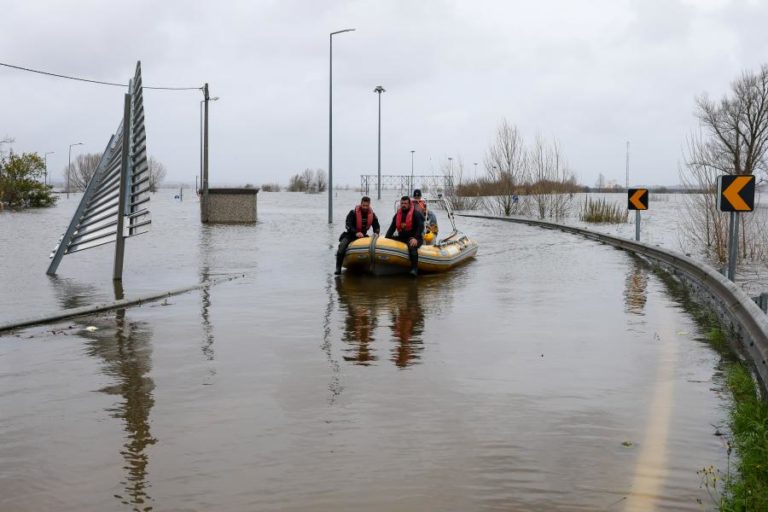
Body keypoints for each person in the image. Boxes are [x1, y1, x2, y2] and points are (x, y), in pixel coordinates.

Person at [335, 196, 380, 275]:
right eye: (364, 205)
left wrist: (376, 232)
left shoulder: (372, 214)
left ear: (369, 205)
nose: (365, 207)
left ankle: (369, 266)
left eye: (367, 206)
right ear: (361, 204)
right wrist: (356, 232)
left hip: (363, 236)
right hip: (351, 234)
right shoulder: (353, 213)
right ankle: (338, 267)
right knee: (342, 246)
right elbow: (348, 225)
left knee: (374, 245)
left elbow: (376, 225)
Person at [385, 195, 425, 276]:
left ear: (409, 204)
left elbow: (420, 227)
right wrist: (386, 238)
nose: (403, 205)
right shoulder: (397, 215)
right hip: (402, 237)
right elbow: (392, 228)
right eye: (402, 203)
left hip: (415, 238)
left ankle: (414, 269)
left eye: (405, 203)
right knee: (389, 239)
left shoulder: (416, 214)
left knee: (412, 246)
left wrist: (416, 238)